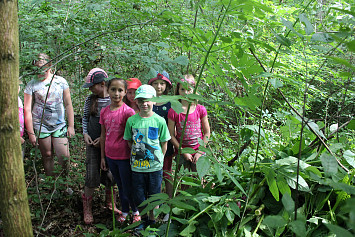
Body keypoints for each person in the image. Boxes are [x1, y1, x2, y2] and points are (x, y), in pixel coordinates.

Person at [124, 85, 171, 230]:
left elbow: (164, 142)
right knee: (139, 195)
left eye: (148, 100)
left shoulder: (159, 121)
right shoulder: (132, 121)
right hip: (138, 167)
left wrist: (160, 159)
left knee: (154, 195)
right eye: (141, 100)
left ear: (154, 101)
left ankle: (152, 222)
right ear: (136, 101)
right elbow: (129, 141)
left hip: (155, 167)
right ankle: (142, 221)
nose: (144, 103)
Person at [24, 53, 75, 178]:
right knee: (47, 155)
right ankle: (51, 183)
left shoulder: (60, 81)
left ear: (50, 66)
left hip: (59, 124)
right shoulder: (31, 84)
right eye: (37, 69)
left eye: (43, 69)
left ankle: (65, 181)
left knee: (64, 156)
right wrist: (31, 133)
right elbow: (27, 109)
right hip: (40, 125)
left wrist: (71, 125)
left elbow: (68, 104)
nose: (40, 72)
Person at [81, 68, 120, 225]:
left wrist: (104, 140)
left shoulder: (113, 101)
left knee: (110, 174)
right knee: (91, 175)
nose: (90, 89)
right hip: (92, 146)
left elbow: (117, 124)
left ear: (102, 84)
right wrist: (85, 134)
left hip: (110, 145)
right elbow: (84, 118)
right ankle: (87, 207)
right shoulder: (90, 100)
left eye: (92, 86)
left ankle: (110, 202)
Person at [100, 78, 140, 224]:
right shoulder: (104, 112)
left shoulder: (128, 112)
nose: (116, 93)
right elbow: (103, 135)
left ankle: (135, 211)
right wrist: (103, 157)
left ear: (124, 92)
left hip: (125, 155)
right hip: (111, 156)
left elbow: (134, 136)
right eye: (113, 90)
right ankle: (124, 211)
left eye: (120, 90)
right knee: (119, 184)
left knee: (127, 185)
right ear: (108, 90)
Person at [167, 74, 210, 172]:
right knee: (184, 181)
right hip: (182, 152)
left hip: (199, 151)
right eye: (182, 89)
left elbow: (207, 133)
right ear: (178, 90)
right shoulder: (174, 111)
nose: (186, 93)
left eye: (189, 89)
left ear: (194, 90)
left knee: (198, 178)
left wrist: (200, 151)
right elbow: (171, 135)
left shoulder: (200, 109)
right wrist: (183, 151)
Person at [147, 71, 174, 221]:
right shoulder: (147, 100)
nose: (159, 86)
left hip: (166, 144)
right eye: (156, 83)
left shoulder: (170, 102)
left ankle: (169, 206)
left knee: (167, 173)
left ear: (167, 86)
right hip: (149, 145)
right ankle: (154, 208)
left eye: (162, 84)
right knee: (152, 176)